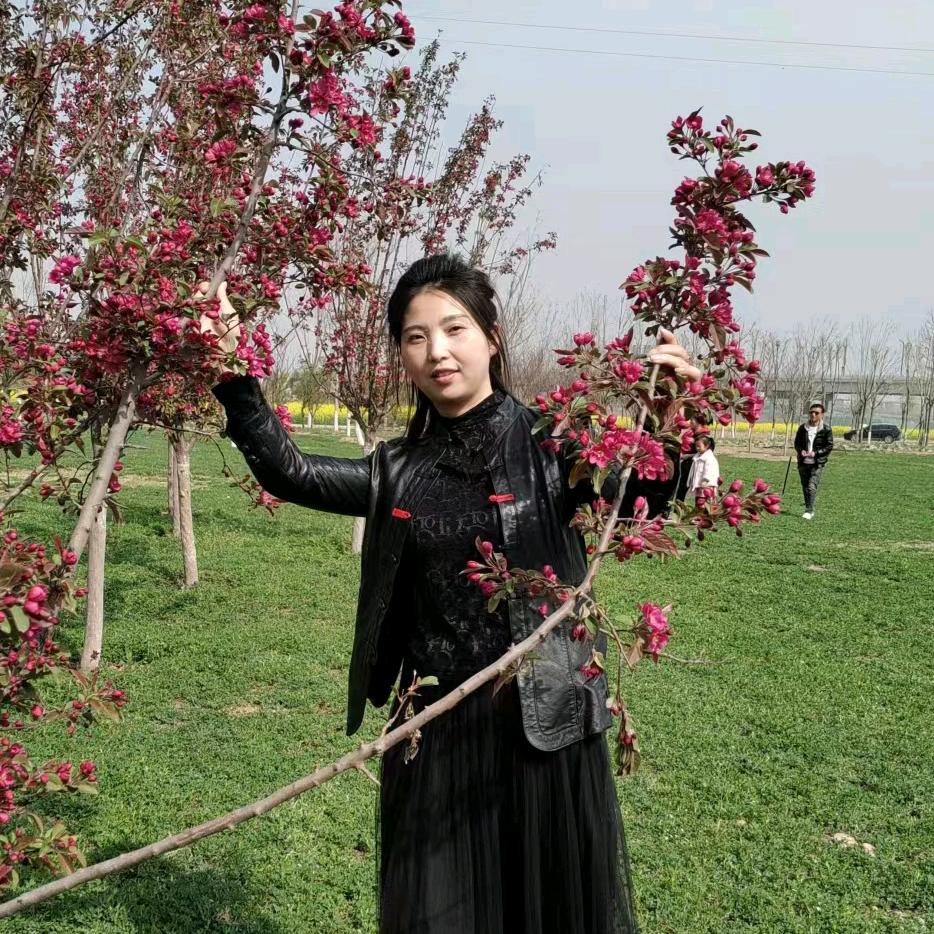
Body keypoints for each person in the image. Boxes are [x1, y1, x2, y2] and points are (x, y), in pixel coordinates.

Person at [201, 254, 698, 934]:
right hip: (435, 734)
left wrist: (669, 421)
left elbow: (640, 497)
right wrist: (233, 374)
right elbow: (290, 473)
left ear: (492, 337)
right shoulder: (398, 470)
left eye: (454, 329)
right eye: (415, 336)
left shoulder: (555, 445)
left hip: (543, 729)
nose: (437, 351)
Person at [793, 401, 833, 520]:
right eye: (811, 412)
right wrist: (801, 451)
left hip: (817, 463)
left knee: (811, 486)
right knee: (805, 486)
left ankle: (809, 511)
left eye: (816, 413)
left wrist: (816, 453)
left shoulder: (826, 429)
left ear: (822, 415)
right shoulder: (802, 428)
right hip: (803, 462)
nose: (813, 415)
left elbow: (829, 446)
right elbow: (797, 444)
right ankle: (809, 508)